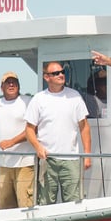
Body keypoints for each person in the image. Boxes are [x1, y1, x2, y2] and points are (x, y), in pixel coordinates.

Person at [25, 62, 92, 204]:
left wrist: (87, 155)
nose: (61, 75)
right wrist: (38, 148)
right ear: (46, 77)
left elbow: (84, 127)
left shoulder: (75, 96)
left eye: (62, 72)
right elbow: (29, 130)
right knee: (45, 203)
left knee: (74, 202)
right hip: (47, 159)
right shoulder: (38, 99)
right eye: (56, 73)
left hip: (71, 159)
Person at [0, 72, 34, 209]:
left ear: (19, 86)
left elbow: (33, 128)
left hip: (25, 162)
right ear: (2, 87)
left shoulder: (28, 101)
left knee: (25, 202)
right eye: (8, 82)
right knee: (4, 203)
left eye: (14, 82)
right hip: (4, 164)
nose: (11, 85)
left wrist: (12, 142)